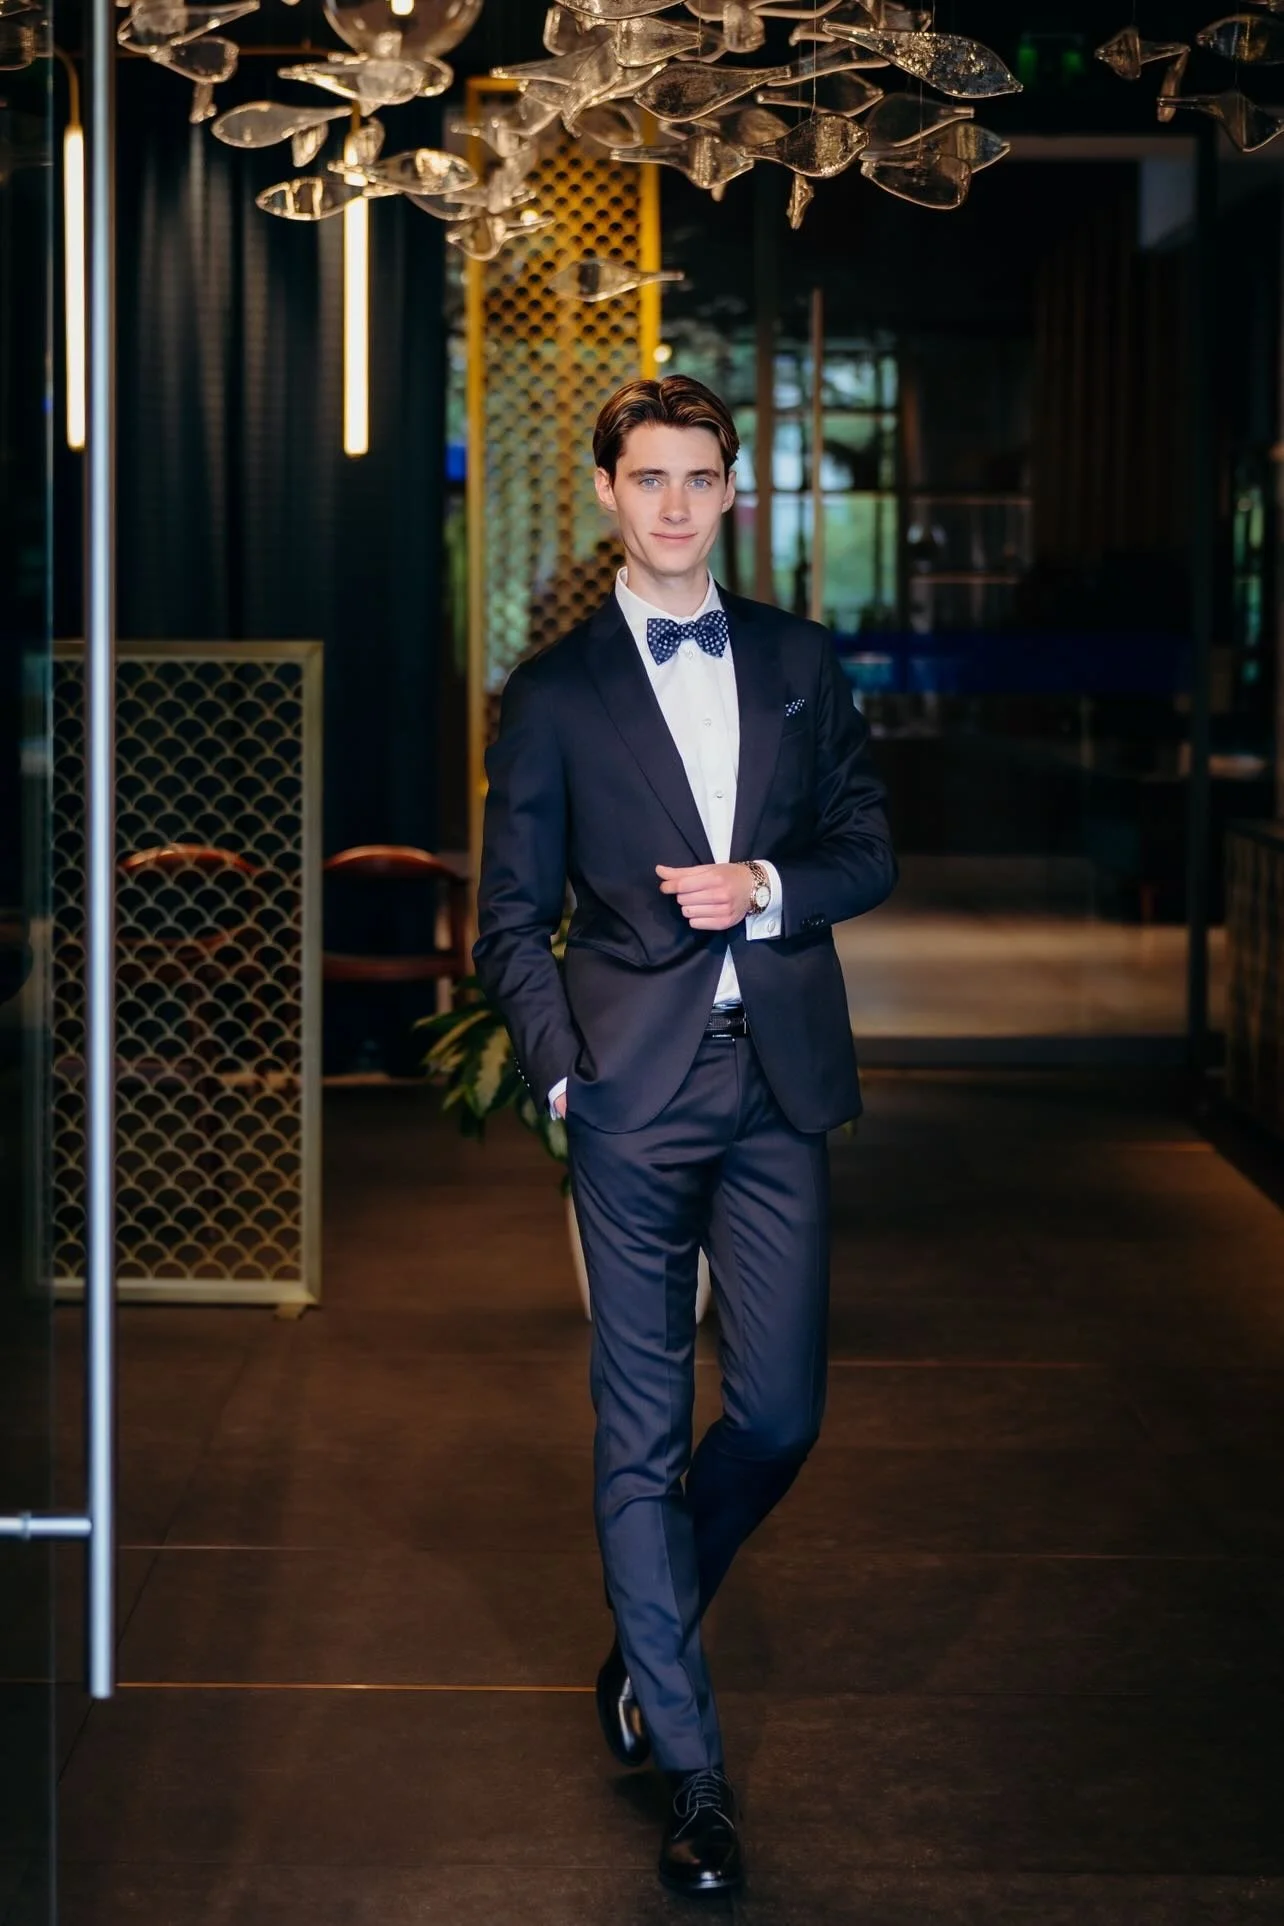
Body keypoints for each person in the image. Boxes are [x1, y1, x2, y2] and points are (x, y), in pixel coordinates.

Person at [473, 374, 897, 1897]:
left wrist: (770, 887)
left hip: (778, 1080)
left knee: (778, 1415)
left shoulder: (796, 659)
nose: (669, 503)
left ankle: (645, 1632)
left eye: (695, 478)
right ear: (605, 493)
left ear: (731, 495)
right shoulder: (557, 691)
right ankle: (694, 1771)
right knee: (639, 1435)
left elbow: (868, 839)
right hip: (630, 1095)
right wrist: (562, 1069)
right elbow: (508, 916)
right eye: (643, 477)